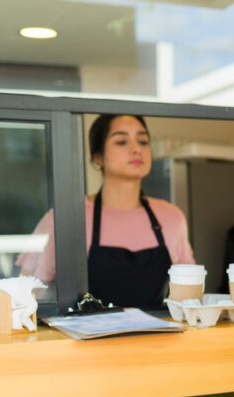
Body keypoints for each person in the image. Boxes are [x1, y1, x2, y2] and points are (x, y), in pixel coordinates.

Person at [17, 114, 195, 307]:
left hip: (157, 336)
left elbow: (190, 297)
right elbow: (27, 295)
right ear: (98, 156)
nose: (136, 149)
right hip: (85, 336)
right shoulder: (67, 217)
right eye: (121, 141)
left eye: (143, 141)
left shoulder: (171, 217)